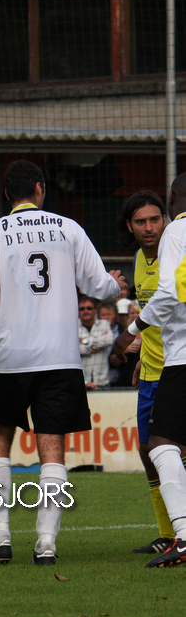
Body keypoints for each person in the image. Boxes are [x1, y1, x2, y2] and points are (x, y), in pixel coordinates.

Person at [0, 160, 123, 566]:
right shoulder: (69, 229)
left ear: (7, 194)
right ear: (40, 189)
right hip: (60, 357)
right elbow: (99, 285)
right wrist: (116, 284)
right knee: (52, 447)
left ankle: (0, 539)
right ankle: (46, 543)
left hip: (10, 356)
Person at [113, 174, 186, 568]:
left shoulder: (177, 241)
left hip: (177, 366)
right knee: (149, 452)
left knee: (168, 448)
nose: (149, 227)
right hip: (154, 367)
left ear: (168, 213)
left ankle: (182, 534)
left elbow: (168, 299)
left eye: (155, 219)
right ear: (130, 226)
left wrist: (130, 333)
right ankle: (167, 533)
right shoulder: (140, 261)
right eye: (140, 221)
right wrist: (144, 353)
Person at [78, 296, 112, 390]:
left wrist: (84, 341)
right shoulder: (73, 326)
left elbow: (109, 340)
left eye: (89, 308)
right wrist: (98, 345)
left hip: (103, 382)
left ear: (95, 310)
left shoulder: (104, 324)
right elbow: (76, 349)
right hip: (82, 383)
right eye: (82, 309)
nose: (86, 311)